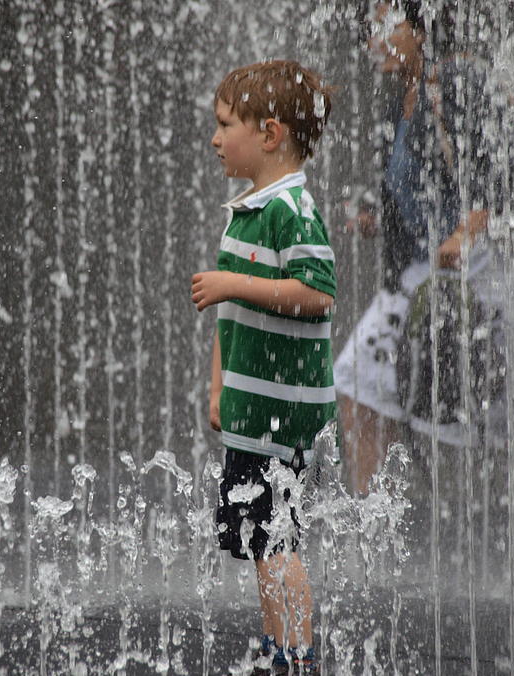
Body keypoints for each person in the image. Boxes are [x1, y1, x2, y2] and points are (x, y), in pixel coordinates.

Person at [334, 1, 514, 506]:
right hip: (427, 274)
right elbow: (417, 190)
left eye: (386, 25)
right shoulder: (400, 95)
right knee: (358, 389)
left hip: (491, 270)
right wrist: (376, 217)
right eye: (367, 29)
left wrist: (465, 232)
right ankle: (380, 526)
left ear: (421, 30)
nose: (372, 39)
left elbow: (512, 183)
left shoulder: (460, 80)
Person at [191, 60, 336, 675]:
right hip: (255, 413)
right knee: (261, 542)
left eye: (226, 126)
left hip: (284, 415)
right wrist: (218, 381)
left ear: (270, 134)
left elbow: (318, 292)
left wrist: (233, 281)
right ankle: (279, 651)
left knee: (278, 541)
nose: (216, 139)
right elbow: (233, 316)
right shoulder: (248, 210)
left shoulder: (292, 210)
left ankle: (299, 658)